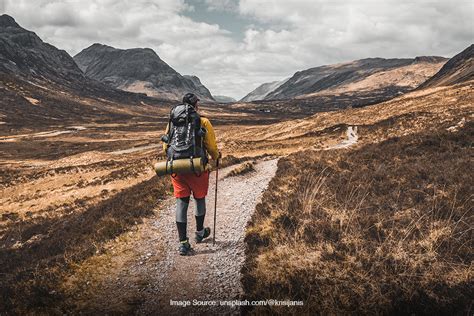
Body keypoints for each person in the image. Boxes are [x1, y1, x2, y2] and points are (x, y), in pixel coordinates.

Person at [162, 93, 220, 255]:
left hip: (177, 168)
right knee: (199, 198)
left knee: (182, 202)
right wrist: (216, 157)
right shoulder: (203, 121)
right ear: (196, 105)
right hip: (197, 168)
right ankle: (200, 233)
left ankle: (183, 243)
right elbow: (211, 146)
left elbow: (165, 147)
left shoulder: (173, 121)